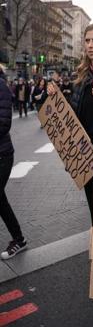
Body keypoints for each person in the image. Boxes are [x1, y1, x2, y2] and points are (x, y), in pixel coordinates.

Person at [48, 23, 93, 226]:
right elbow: (72, 114)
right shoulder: (80, 78)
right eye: (87, 41)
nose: (90, 45)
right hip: (85, 155)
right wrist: (56, 98)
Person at [0, 64, 27, 260]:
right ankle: (19, 239)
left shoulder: (1, 86)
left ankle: (19, 240)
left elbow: (3, 122)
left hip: (2, 155)